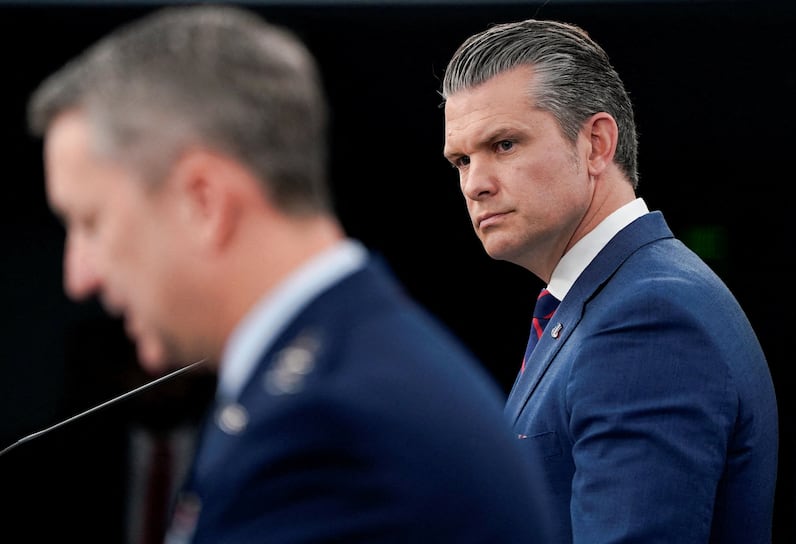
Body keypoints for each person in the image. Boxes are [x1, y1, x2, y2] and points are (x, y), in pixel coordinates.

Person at [26, 5, 556, 544]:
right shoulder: (343, 369)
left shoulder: (321, 432)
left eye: (92, 221)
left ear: (203, 201)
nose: (79, 276)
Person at [440, 18, 779, 544]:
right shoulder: (611, 301)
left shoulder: (649, 315)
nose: (475, 184)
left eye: (504, 145)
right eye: (461, 160)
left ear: (596, 144)